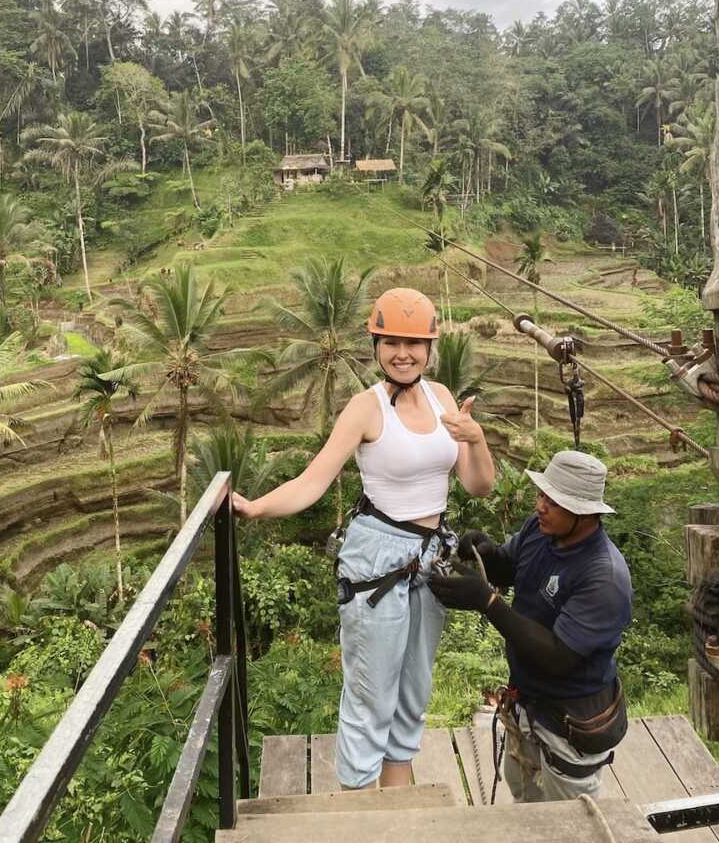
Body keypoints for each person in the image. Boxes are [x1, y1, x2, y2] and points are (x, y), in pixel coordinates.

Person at [233, 287, 496, 790]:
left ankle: (397, 808)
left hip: (432, 556)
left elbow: (478, 486)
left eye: (414, 343)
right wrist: (256, 507)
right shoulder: (365, 408)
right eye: (391, 341)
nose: (403, 353)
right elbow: (313, 481)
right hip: (377, 559)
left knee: (413, 691)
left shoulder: (444, 399)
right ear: (375, 346)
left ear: (429, 348)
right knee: (371, 694)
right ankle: (359, 808)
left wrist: (476, 439)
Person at [428, 449, 632, 803]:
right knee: (525, 806)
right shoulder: (541, 531)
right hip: (528, 706)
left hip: (569, 723)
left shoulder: (604, 577)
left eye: (553, 501)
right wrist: (487, 553)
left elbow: (556, 655)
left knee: (570, 825)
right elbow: (510, 565)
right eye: (542, 495)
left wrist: (487, 603)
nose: (540, 506)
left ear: (584, 513)